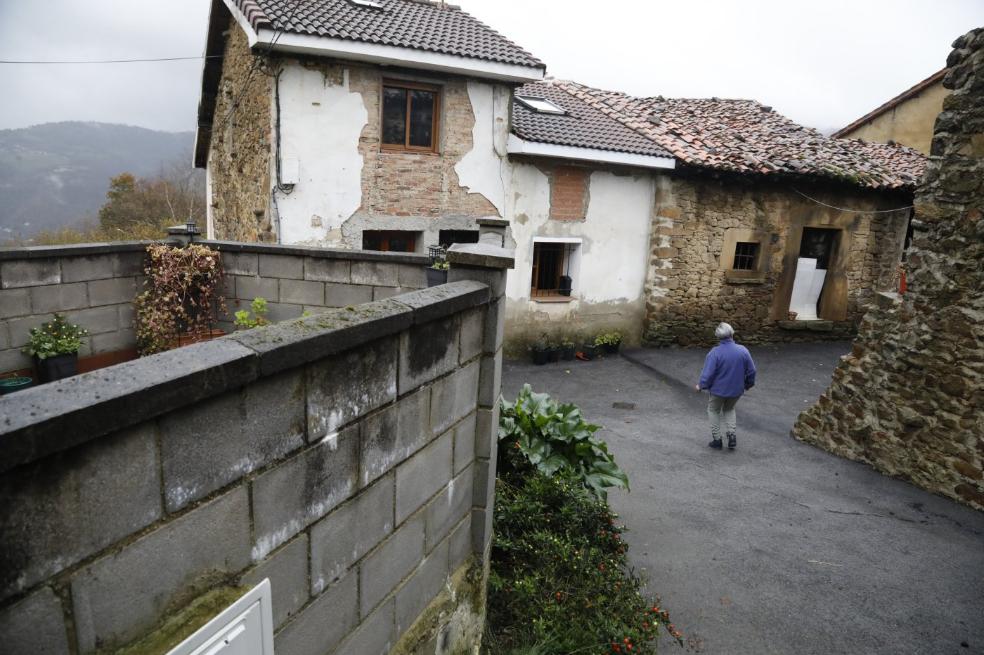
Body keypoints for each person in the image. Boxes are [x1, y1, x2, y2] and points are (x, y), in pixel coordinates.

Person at [695, 322, 757, 450]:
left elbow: (708, 373)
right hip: (736, 390)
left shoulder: (715, 353)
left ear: (718, 337)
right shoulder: (743, 351)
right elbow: (752, 371)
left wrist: (701, 385)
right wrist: (748, 384)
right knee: (729, 409)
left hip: (718, 391)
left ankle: (717, 440)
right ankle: (731, 435)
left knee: (713, 410)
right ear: (732, 333)